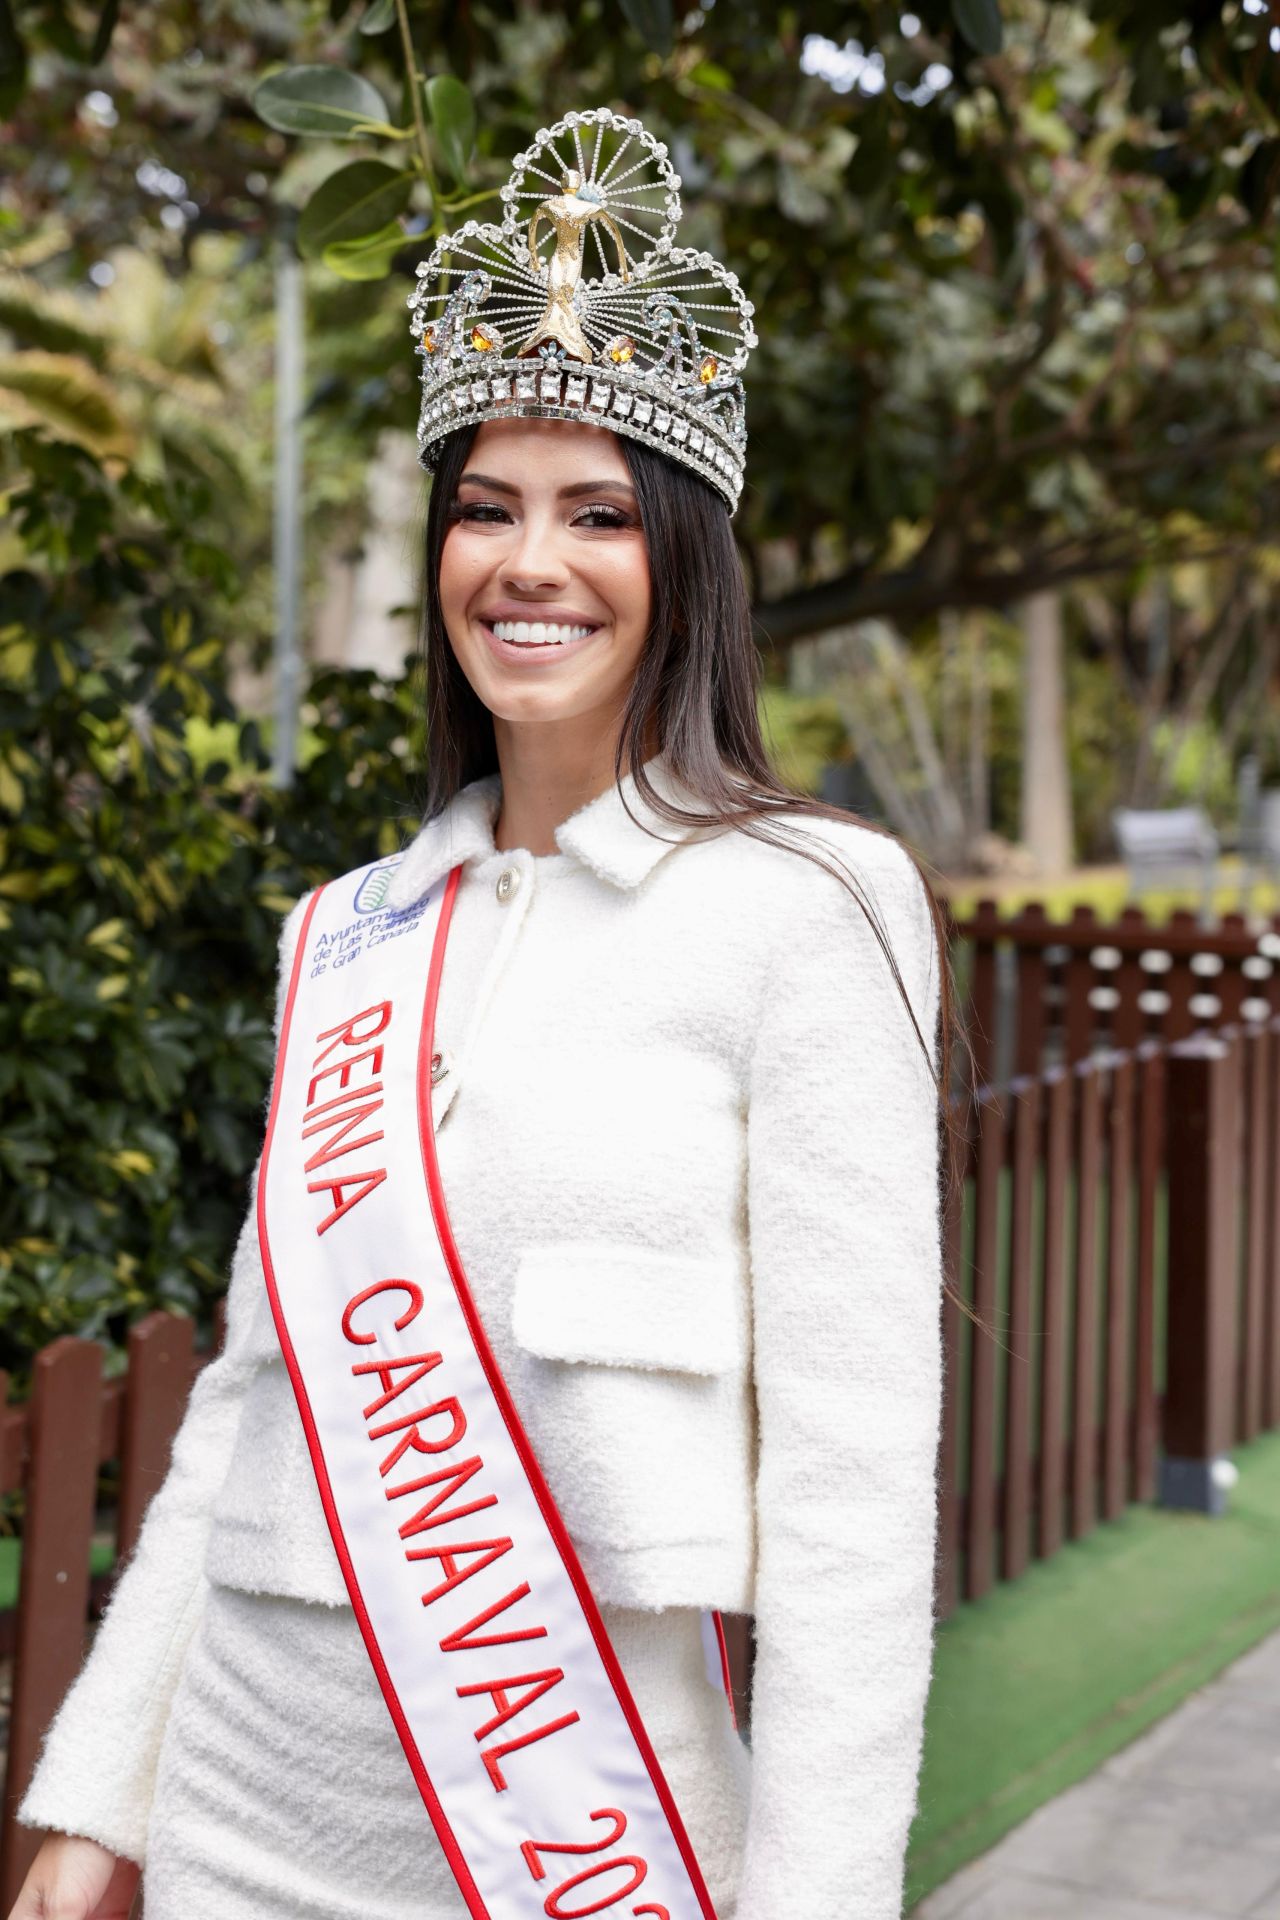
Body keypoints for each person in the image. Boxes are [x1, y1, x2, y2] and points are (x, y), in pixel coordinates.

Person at [11, 105, 953, 1920]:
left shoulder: (811, 910)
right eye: (485, 508)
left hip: (566, 1823)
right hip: (238, 1794)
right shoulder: (346, 936)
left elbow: (855, 1497)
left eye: (599, 511)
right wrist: (102, 1800)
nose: (531, 563)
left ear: (685, 559)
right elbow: (249, 1403)